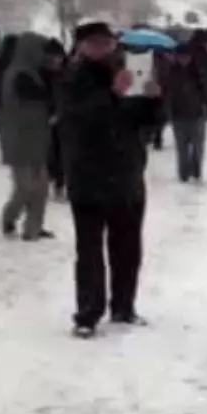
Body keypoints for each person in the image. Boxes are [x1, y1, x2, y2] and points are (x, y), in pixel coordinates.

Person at [57, 21, 162, 338]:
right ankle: (88, 314)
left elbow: (147, 124)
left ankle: (124, 306)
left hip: (127, 173)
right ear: (81, 46)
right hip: (88, 176)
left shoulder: (127, 70)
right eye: (95, 43)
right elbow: (76, 120)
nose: (102, 49)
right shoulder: (71, 78)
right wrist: (112, 95)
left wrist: (153, 100)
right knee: (89, 251)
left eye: (107, 43)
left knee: (128, 247)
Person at [0, 32, 55, 241]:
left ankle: (33, 228)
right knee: (25, 187)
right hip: (19, 137)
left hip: (36, 136)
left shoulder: (34, 73)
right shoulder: (19, 74)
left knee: (40, 186)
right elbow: (36, 98)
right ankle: (9, 217)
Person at [162, 42, 207, 183]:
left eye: (186, 56)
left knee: (197, 147)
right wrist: (168, 112)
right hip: (179, 115)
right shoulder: (171, 73)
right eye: (181, 56)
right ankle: (183, 174)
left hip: (197, 114)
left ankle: (196, 172)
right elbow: (167, 94)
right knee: (182, 147)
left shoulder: (197, 71)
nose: (184, 59)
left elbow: (206, 90)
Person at [42, 37, 68, 200]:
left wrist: (60, 113)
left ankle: (60, 183)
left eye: (57, 57)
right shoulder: (40, 74)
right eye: (51, 57)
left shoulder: (69, 73)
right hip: (44, 120)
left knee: (62, 154)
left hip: (64, 120)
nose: (54, 60)